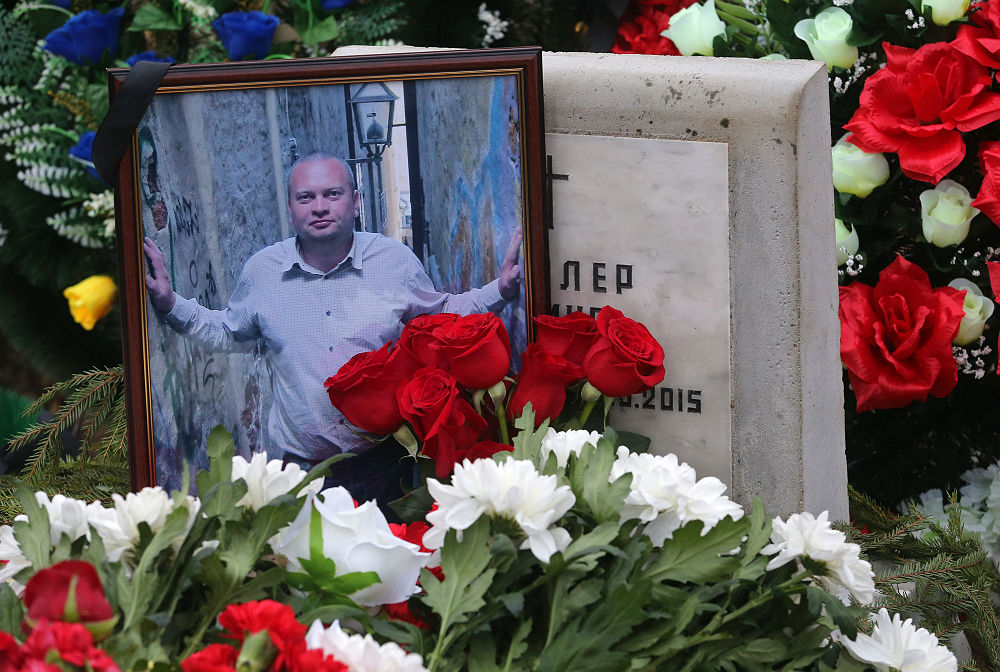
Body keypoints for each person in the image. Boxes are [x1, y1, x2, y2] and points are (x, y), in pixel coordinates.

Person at [144, 152, 522, 495]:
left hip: (388, 463)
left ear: (355, 202)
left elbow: (441, 317)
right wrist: (170, 303)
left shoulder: (393, 262)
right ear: (290, 208)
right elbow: (229, 332)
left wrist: (501, 289)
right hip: (302, 473)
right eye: (306, 198)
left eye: (332, 194)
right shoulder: (263, 273)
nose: (320, 207)